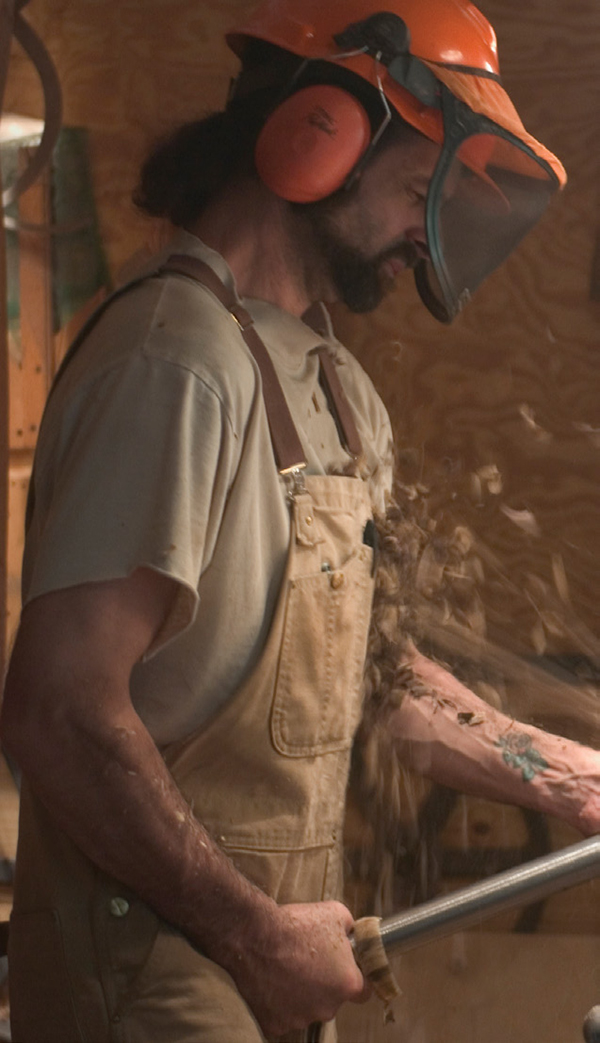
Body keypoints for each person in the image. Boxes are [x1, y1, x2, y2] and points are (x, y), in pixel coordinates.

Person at [1, 0, 598, 1040]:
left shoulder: (338, 391)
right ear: (317, 133)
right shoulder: (174, 361)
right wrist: (257, 936)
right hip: (150, 978)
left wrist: (569, 773)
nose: (429, 232)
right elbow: (59, 709)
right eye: (421, 190)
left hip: (265, 951)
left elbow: (378, 677)